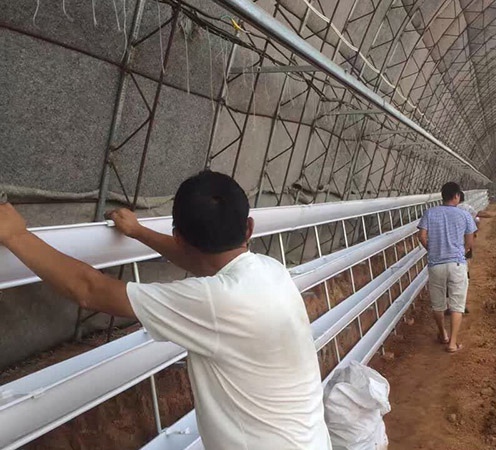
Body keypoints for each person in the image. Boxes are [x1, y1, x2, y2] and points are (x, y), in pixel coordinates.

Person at [0, 171, 332, 450]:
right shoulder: (269, 270)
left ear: (179, 235)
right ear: (248, 228)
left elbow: (89, 290)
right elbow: (197, 258)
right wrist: (139, 232)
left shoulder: (215, 303)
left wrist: (16, 235)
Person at [417, 182, 477, 353]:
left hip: (436, 264)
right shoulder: (464, 215)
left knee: (438, 303)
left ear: (442, 196)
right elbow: (470, 239)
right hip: (457, 263)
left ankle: (442, 334)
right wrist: (463, 250)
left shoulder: (430, 213)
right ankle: (452, 343)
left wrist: (431, 249)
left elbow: (421, 235)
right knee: (457, 304)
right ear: (456, 196)